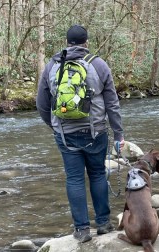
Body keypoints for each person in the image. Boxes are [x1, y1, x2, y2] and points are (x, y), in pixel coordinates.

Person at [36, 24, 125, 243]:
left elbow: (41, 103)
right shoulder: (99, 65)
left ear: (67, 42)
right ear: (86, 43)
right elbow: (112, 104)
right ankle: (103, 224)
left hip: (65, 134)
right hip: (95, 132)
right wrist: (119, 134)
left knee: (74, 179)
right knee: (97, 174)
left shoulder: (52, 66)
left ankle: (82, 230)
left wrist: (54, 125)